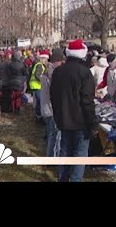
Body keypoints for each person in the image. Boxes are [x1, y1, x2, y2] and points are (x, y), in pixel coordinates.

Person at [50, 39, 95, 182]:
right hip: (80, 121)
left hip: (64, 119)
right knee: (79, 153)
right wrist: (92, 121)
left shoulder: (58, 71)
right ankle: (74, 179)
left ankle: (62, 178)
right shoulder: (85, 72)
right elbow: (87, 101)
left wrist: (57, 116)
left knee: (65, 150)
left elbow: (54, 97)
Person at [41, 48, 66, 157]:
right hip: (51, 108)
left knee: (52, 133)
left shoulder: (47, 70)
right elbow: (55, 90)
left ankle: (51, 156)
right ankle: (52, 157)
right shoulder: (52, 72)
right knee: (54, 135)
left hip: (47, 107)